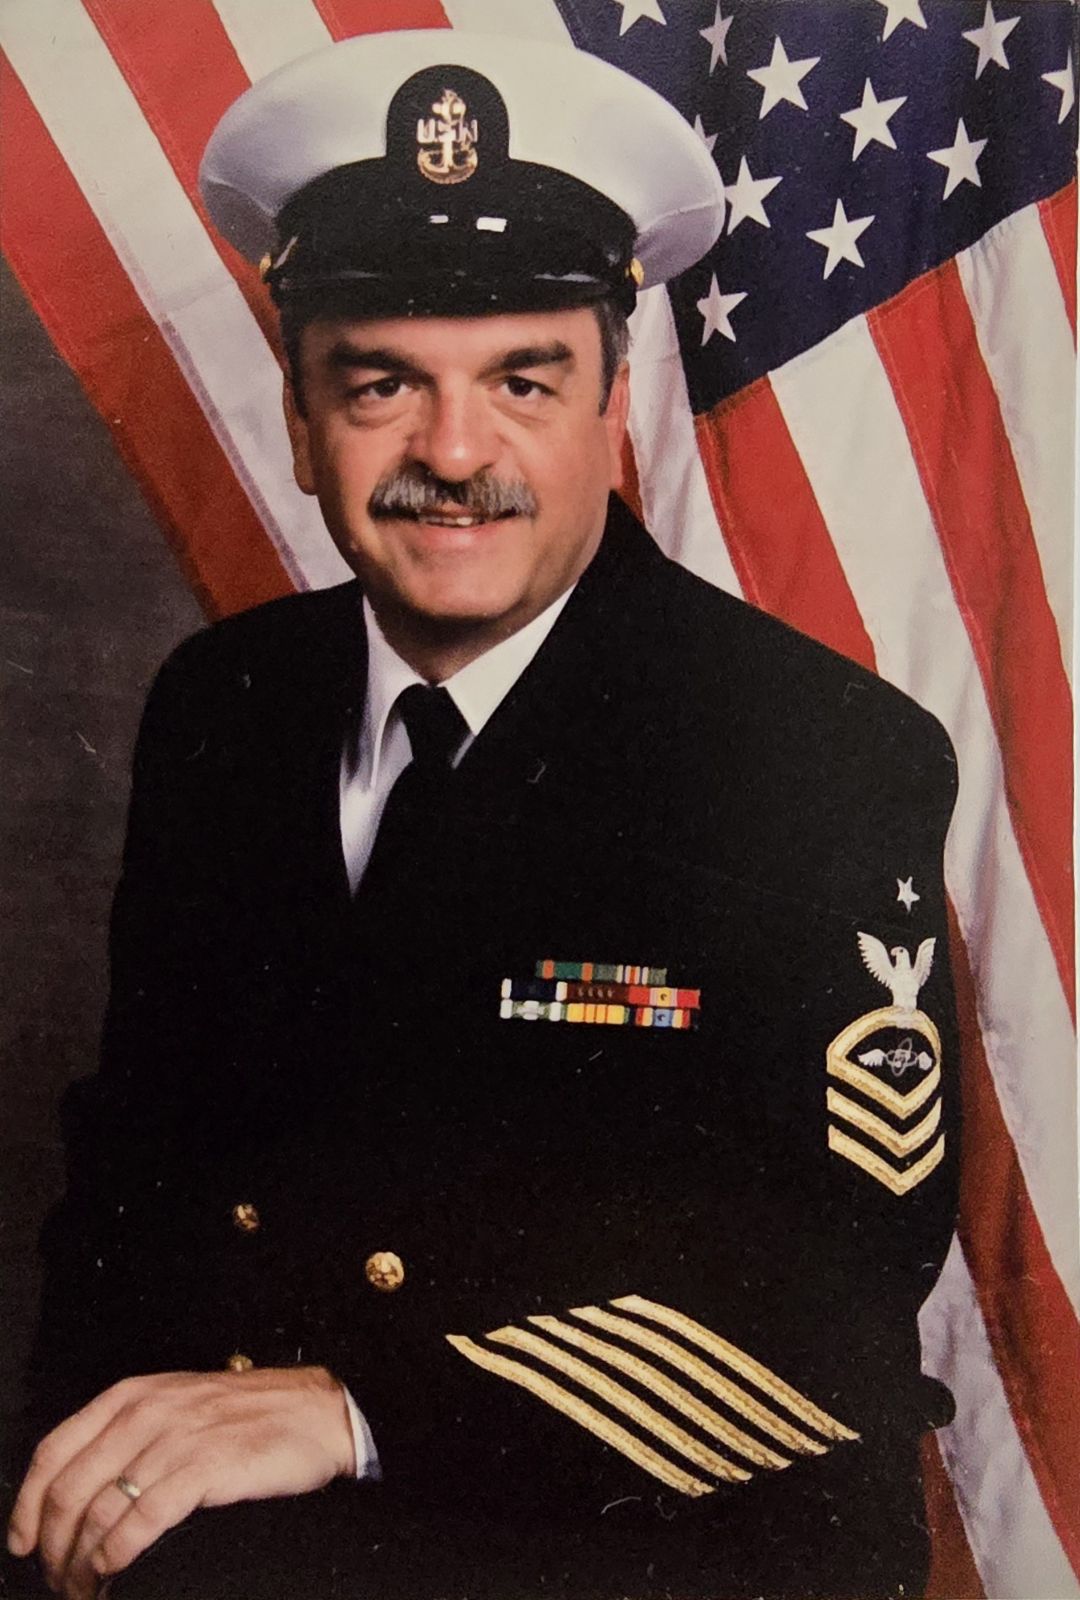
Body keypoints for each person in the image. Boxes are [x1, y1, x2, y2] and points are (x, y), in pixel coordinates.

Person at [6, 30, 960, 1600]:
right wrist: (68, 1499)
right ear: (300, 419)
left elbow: (835, 1296)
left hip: (652, 1547)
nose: (454, 456)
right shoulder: (224, 708)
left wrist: (360, 1410)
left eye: (523, 380)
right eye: (382, 383)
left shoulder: (814, 751)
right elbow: (134, 1178)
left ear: (612, 404)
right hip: (242, 1539)